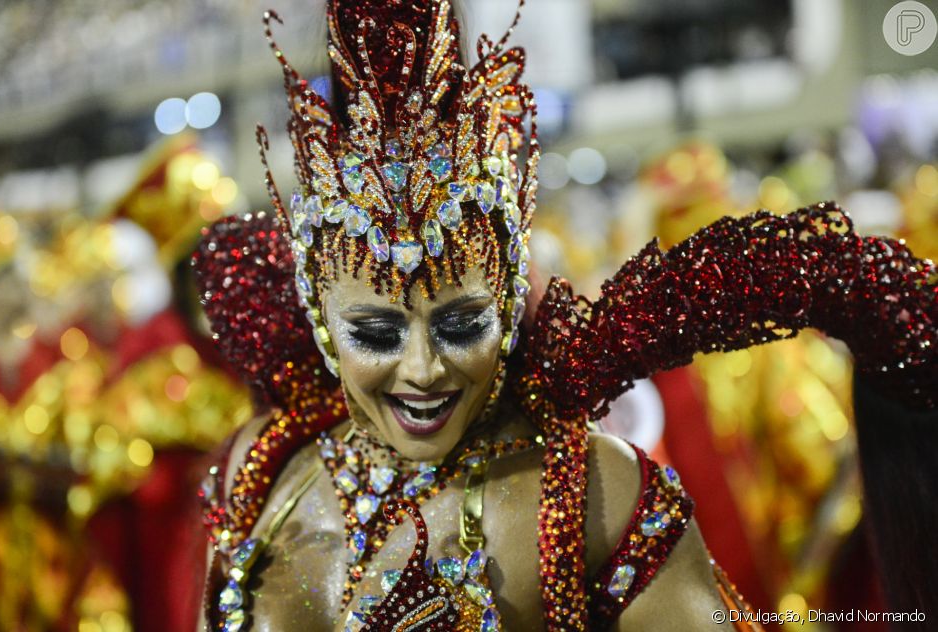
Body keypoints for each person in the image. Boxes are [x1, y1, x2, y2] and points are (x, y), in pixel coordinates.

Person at [193, 1, 936, 630]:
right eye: (375, 333)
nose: (422, 370)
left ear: (512, 303)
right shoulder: (261, 468)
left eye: (460, 325)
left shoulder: (587, 495)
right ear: (320, 316)